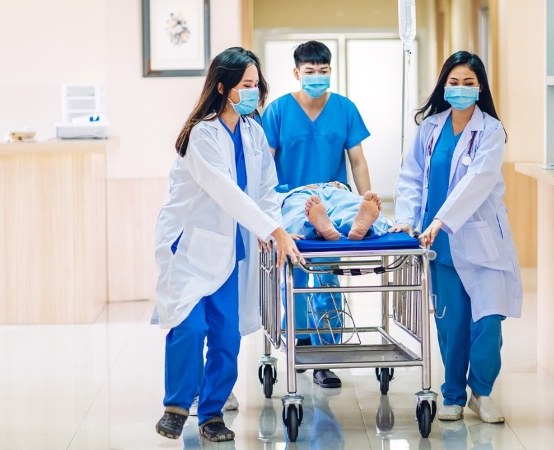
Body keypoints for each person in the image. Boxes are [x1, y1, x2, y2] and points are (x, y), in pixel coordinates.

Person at [153, 47, 301, 442]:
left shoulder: (253, 131)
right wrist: (272, 229)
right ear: (223, 87)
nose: (252, 92)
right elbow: (225, 190)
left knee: (226, 336)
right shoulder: (203, 134)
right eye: (245, 85)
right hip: (191, 247)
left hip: (233, 250)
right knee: (189, 326)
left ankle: (212, 412)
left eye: (255, 85)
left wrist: (274, 227)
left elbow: (265, 188)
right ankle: (177, 406)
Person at [393, 51, 523, 424]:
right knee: (451, 325)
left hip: (482, 243)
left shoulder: (491, 130)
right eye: (454, 82)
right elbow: (412, 178)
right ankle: (452, 394)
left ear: (480, 88)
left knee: (487, 324)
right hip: (439, 246)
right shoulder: (430, 128)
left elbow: (477, 181)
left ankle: (481, 392)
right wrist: (407, 219)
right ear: (443, 85)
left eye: (469, 83)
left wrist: (442, 219)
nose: (461, 89)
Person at [262, 40, 372, 388]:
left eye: (323, 71)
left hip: (333, 196)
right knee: (293, 278)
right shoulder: (278, 111)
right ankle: (301, 341)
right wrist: (266, 214)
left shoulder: (344, 108)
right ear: (296, 73)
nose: (317, 77)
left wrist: (366, 195)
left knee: (326, 276)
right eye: (310, 72)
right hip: (291, 199)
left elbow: (357, 160)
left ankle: (325, 357)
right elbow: (264, 165)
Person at [281, 182, 388, 241]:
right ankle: (357, 226)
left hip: (306, 192)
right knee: (351, 206)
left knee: (296, 213)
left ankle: (317, 230)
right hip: (336, 190)